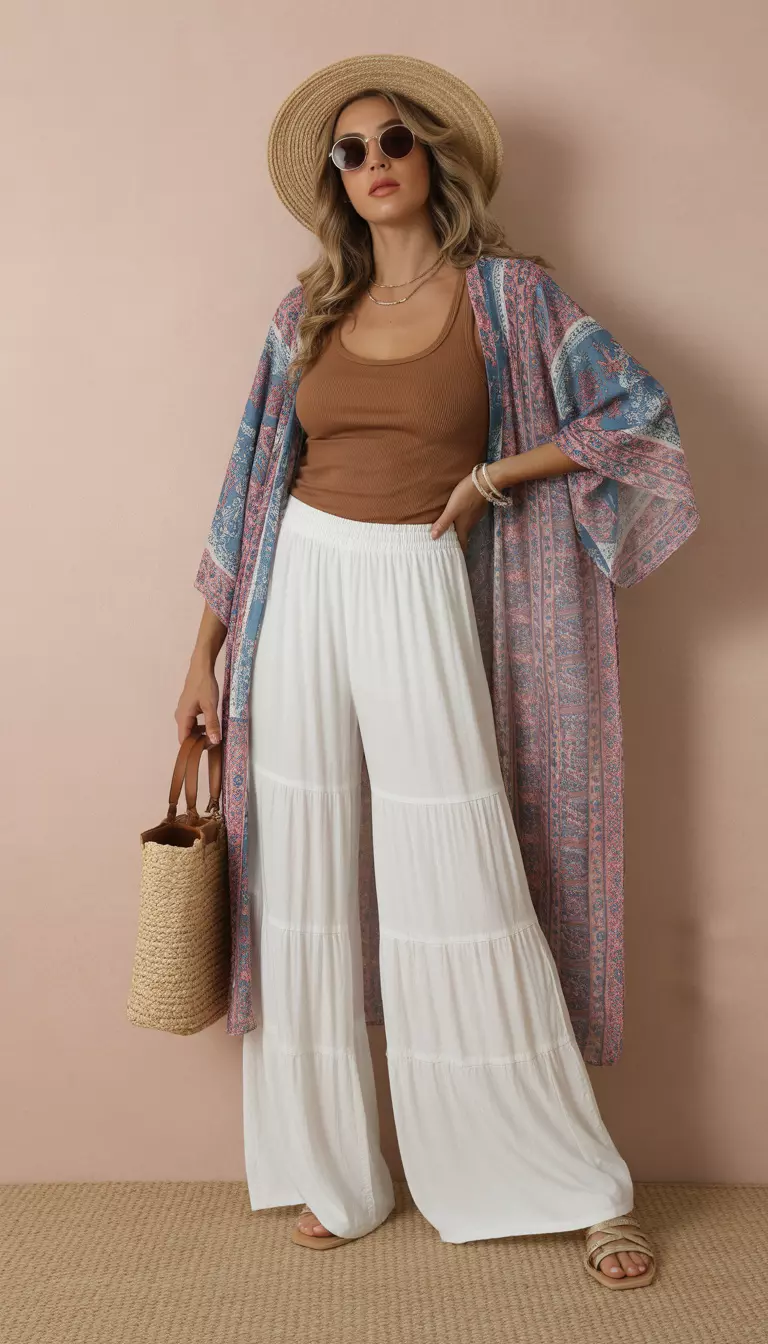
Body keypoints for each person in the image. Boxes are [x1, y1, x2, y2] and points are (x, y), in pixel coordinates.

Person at [176, 53, 698, 1286]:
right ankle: (336, 1173)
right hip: (297, 580)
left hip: (418, 581)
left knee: (457, 863)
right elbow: (248, 488)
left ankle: (571, 1177)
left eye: (391, 141)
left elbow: (637, 421)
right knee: (298, 863)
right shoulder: (304, 309)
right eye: (348, 153)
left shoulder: (509, 299)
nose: (371, 166)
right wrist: (198, 659)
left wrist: (493, 477)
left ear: (432, 161)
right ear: (334, 181)